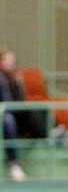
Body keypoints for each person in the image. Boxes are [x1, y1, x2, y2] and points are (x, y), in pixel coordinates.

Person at [0, 50, 30, 182]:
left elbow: (19, 101)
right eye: (5, 60)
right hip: (4, 115)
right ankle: (13, 163)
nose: (8, 63)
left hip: (12, 111)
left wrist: (18, 85)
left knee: (35, 111)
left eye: (11, 61)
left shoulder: (15, 80)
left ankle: (55, 131)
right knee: (8, 120)